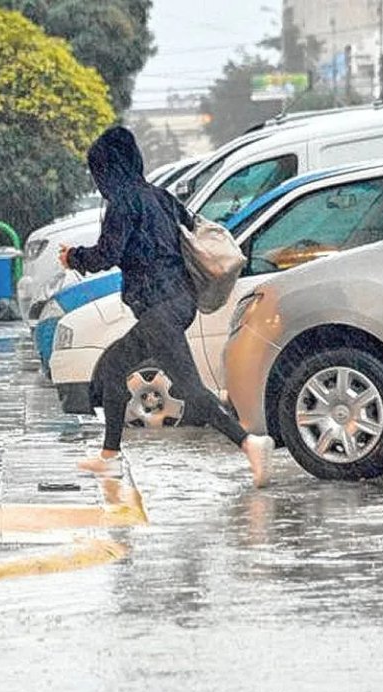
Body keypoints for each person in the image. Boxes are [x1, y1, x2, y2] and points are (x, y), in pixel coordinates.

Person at [60, 127, 276, 488]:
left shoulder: (124, 202)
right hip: (178, 301)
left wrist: (73, 257)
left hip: (159, 307)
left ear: (106, 169)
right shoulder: (158, 196)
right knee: (113, 368)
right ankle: (109, 457)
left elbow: (107, 254)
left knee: (191, 389)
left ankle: (250, 443)